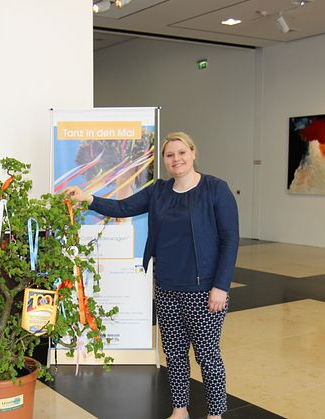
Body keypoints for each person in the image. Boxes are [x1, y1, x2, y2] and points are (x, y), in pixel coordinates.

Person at [66, 132, 239, 419]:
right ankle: (180, 409)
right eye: (170, 155)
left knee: (208, 357)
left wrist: (221, 286)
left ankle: (215, 414)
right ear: (164, 161)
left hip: (204, 290)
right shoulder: (158, 191)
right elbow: (123, 207)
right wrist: (89, 197)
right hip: (167, 287)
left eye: (181, 152)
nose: (176, 159)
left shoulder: (215, 189)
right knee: (174, 354)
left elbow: (230, 239)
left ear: (193, 153)